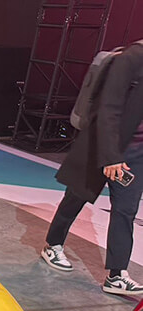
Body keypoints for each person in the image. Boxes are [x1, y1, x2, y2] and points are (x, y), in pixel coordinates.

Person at [41, 42, 143, 295]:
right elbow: (108, 109)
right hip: (104, 145)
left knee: (125, 211)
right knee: (76, 196)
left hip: (137, 153)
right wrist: (110, 156)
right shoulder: (131, 58)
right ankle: (53, 244)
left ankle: (116, 275)